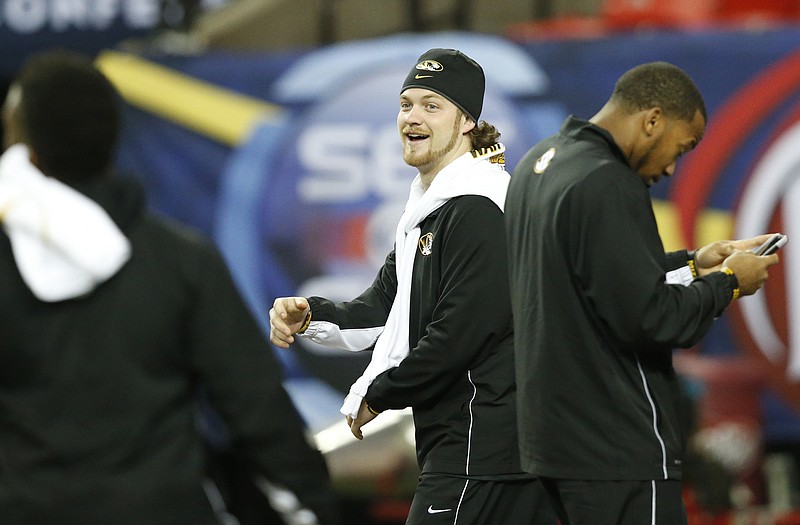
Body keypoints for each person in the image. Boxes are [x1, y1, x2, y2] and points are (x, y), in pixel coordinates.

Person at [0, 50, 340, 525]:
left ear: (27, 149)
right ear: (115, 140)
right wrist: (318, 503)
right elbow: (256, 409)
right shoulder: (181, 260)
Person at [270, 48, 555, 525]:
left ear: (467, 121)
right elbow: (385, 308)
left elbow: (459, 335)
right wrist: (312, 316)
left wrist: (378, 393)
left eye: (431, 105)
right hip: (476, 451)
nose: (412, 117)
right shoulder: (433, 208)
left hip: (482, 454)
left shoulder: (476, 208)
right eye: (406, 104)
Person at [504, 61, 780, 525]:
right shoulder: (608, 180)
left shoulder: (540, 162)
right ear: (652, 120)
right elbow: (648, 317)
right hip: (616, 446)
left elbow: (594, 279)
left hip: (552, 443)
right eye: (681, 147)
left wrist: (695, 263)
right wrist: (730, 283)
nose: (672, 168)